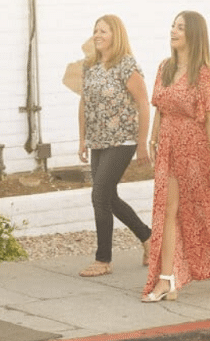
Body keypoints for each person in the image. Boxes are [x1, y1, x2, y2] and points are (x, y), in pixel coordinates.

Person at [142, 11, 210, 302]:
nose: (174, 31)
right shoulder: (165, 68)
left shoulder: (205, 74)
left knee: (208, 211)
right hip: (169, 148)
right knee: (167, 212)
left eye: (181, 28)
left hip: (196, 150)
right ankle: (165, 278)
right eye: (173, 25)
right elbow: (160, 106)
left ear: (193, 35)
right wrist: (153, 137)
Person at [77, 15, 152, 277]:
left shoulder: (126, 65)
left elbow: (143, 102)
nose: (97, 35)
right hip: (98, 140)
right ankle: (148, 238)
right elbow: (84, 103)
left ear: (115, 35)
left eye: (103, 31)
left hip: (123, 139)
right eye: (95, 30)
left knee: (99, 195)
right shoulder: (90, 66)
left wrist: (143, 143)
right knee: (108, 196)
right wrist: (82, 139)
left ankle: (103, 259)